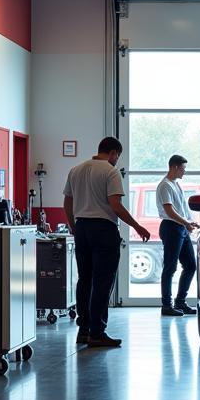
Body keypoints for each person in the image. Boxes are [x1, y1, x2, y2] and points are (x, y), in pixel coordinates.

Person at [63, 136, 150, 348]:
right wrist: (137, 226)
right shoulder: (110, 171)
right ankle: (97, 332)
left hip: (82, 228)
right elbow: (116, 206)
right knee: (102, 282)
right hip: (103, 230)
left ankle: (83, 330)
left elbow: (67, 203)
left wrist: (75, 227)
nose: (116, 160)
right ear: (113, 153)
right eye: (117, 156)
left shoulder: (75, 169)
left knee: (85, 280)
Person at [156, 154, 199, 316]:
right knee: (170, 267)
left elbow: (180, 208)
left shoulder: (175, 184)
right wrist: (186, 223)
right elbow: (169, 210)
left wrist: (189, 221)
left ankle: (180, 302)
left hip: (180, 227)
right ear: (174, 167)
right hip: (171, 228)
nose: (184, 172)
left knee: (190, 265)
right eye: (183, 168)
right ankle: (166, 305)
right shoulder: (165, 185)